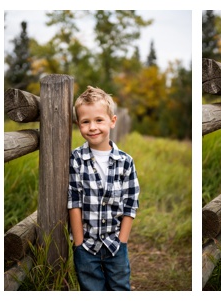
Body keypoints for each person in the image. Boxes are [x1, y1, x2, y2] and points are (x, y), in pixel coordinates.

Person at [68, 86, 139, 291]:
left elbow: (131, 203)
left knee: (119, 287)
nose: (92, 127)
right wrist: (79, 244)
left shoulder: (125, 162)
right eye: (85, 122)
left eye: (99, 120)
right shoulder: (76, 159)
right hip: (86, 246)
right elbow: (74, 201)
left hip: (115, 244)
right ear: (78, 125)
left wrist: (122, 241)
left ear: (112, 121)